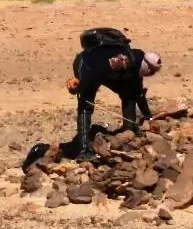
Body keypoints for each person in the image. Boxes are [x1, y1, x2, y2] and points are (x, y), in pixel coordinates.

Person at [66, 32, 163, 161]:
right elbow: (99, 68)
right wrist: (80, 86)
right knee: (85, 105)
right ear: (147, 66)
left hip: (106, 73)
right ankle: (84, 149)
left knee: (129, 94)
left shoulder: (136, 67)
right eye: (151, 71)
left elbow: (138, 94)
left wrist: (150, 118)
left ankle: (129, 129)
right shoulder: (124, 61)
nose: (151, 74)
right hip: (87, 65)